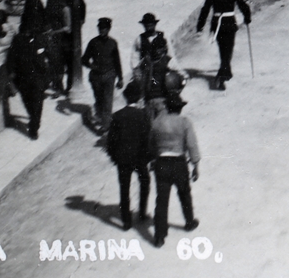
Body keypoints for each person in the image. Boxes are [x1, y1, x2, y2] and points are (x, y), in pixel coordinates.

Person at [149, 93, 200, 248]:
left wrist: (153, 161)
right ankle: (189, 222)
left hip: (161, 162)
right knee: (184, 194)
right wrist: (195, 166)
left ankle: (159, 236)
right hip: (179, 163)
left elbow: (151, 144)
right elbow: (192, 145)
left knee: (161, 200)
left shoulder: (156, 122)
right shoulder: (184, 122)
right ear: (179, 108)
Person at [106, 80, 153, 229]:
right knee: (145, 183)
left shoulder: (117, 116)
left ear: (126, 98)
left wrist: (115, 158)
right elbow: (148, 139)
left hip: (123, 159)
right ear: (139, 98)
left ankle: (126, 221)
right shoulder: (143, 115)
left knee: (124, 188)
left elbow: (111, 141)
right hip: (140, 159)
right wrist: (148, 158)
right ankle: (142, 212)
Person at [197, 0, 253, 90]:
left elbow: (205, 9)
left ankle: (226, 71)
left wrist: (200, 25)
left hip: (217, 24)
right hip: (229, 24)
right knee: (228, 50)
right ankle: (222, 77)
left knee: (223, 49)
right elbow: (243, 5)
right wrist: (247, 17)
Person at [8, 16, 49, 140]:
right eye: (27, 28)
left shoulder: (40, 39)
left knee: (37, 104)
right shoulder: (18, 40)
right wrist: (11, 75)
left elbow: (49, 58)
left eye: (32, 28)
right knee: (28, 103)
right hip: (23, 79)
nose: (30, 31)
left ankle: (34, 128)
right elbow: (11, 58)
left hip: (38, 78)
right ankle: (33, 119)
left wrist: (48, 78)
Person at [81, 18, 123, 133]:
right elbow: (84, 59)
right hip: (96, 77)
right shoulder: (93, 43)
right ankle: (101, 118)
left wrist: (120, 78)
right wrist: (91, 66)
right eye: (100, 28)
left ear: (109, 29)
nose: (102, 31)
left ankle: (106, 125)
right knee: (99, 99)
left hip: (109, 74)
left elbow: (117, 62)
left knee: (108, 100)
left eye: (104, 29)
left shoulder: (113, 43)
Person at [49, 0, 85, 94]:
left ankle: (70, 86)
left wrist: (80, 22)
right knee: (58, 60)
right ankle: (58, 86)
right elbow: (49, 8)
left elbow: (82, 6)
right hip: (58, 29)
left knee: (70, 59)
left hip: (70, 32)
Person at [133, 13, 174, 105]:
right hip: (146, 69)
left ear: (155, 24)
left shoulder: (163, 36)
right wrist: (136, 70)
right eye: (146, 25)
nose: (148, 27)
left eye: (151, 24)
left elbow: (171, 55)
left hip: (162, 69)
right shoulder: (139, 39)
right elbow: (135, 56)